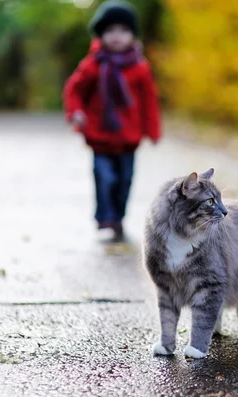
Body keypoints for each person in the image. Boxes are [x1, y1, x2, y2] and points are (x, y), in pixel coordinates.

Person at [63, 0, 161, 241]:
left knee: (124, 181)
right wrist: (76, 112)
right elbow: (73, 90)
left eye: (123, 30)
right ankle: (104, 217)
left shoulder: (139, 67)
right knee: (104, 177)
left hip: (129, 138)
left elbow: (149, 100)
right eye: (110, 31)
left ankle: (118, 217)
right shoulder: (93, 65)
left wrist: (153, 129)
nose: (117, 36)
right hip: (100, 135)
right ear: (101, 34)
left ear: (132, 34)